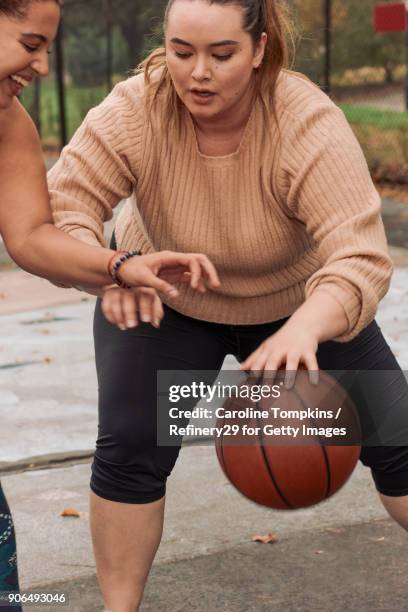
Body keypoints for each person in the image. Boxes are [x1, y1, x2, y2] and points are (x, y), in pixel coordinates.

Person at [47, 0, 408, 610]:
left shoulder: (303, 120)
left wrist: (304, 329)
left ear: (260, 48)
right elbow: (64, 208)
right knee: (132, 444)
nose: (197, 73)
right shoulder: (137, 107)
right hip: (163, 294)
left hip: (298, 304)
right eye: (181, 52)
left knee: (397, 442)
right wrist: (112, 272)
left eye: (221, 54)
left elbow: (360, 256)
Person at [0, 0, 219, 604]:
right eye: (30, 43)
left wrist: (118, 267)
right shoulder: (133, 110)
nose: (42, 64)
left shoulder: (9, 124)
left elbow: (31, 238)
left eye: (48, 47)